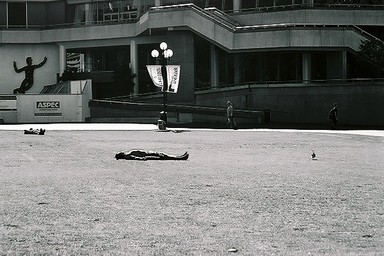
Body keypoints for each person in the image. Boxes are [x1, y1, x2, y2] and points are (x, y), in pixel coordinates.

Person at [115, 150, 189, 160]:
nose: (121, 151)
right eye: (120, 153)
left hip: (149, 153)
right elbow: (136, 158)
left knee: (166, 155)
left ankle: (181, 156)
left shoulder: (127, 154)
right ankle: (181, 158)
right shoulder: (127, 156)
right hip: (148, 155)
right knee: (166, 157)